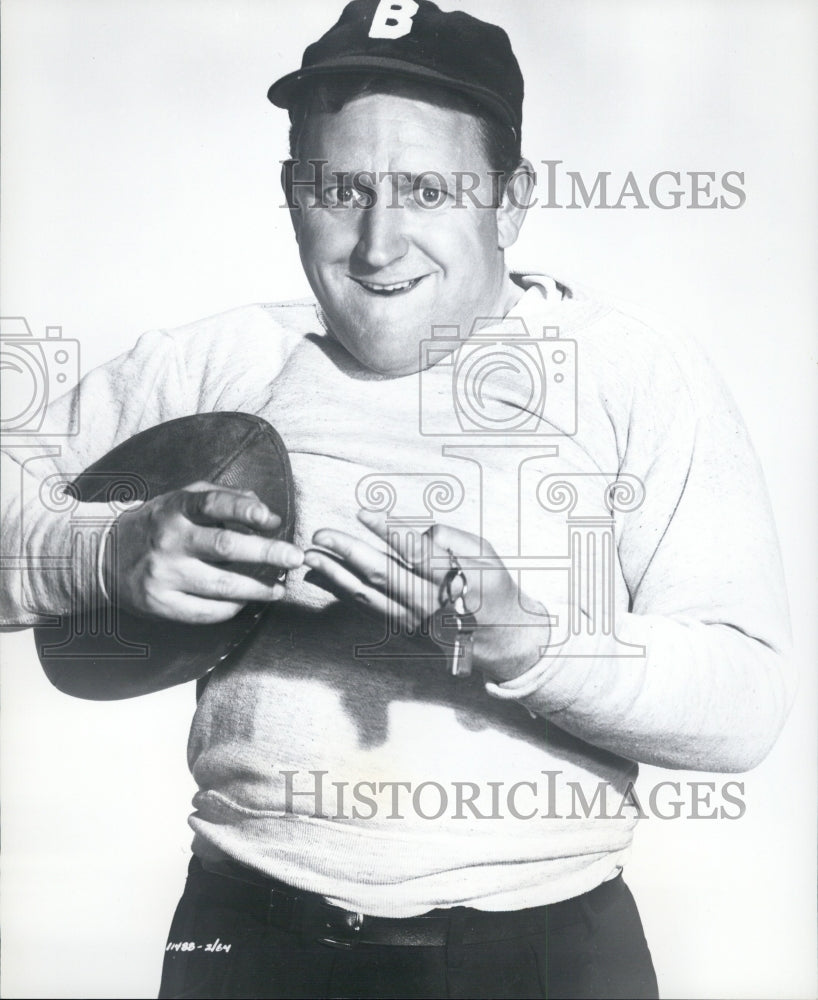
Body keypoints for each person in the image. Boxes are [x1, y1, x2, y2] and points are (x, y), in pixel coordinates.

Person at [0, 1, 794, 997]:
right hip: (248, 937)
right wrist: (102, 553)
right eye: (341, 188)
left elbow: (746, 703)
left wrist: (534, 646)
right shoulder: (216, 362)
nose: (377, 243)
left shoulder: (634, 376)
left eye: (425, 189)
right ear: (291, 190)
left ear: (509, 201)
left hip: (544, 952)